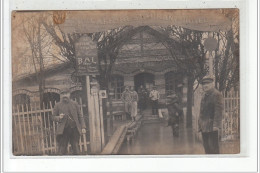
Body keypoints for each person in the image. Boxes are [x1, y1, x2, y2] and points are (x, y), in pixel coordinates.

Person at [51, 88, 86, 155]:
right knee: (62, 150)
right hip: (63, 131)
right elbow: (52, 117)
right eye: (63, 94)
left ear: (69, 94)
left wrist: (83, 127)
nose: (65, 96)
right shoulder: (57, 105)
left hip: (74, 129)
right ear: (60, 95)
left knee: (76, 149)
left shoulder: (75, 104)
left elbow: (80, 116)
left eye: (66, 94)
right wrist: (59, 117)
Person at [198, 76, 223, 154]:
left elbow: (218, 111)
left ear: (212, 84)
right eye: (203, 84)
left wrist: (216, 125)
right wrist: (200, 125)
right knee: (207, 148)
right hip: (204, 127)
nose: (205, 86)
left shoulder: (216, 94)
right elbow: (201, 112)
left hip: (212, 127)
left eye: (207, 83)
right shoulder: (204, 96)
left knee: (214, 149)